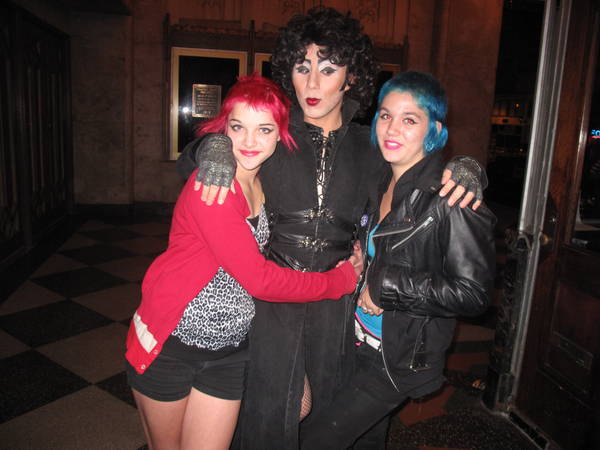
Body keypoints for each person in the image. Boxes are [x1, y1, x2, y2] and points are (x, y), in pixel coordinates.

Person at [177, 7, 486, 449]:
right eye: (302, 68)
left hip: (338, 307)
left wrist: (468, 167)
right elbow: (205, 156)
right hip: (271, 302)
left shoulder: (371, 145)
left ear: (350, 77)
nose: (313, 84)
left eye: (327, 69)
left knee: (331, 419)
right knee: (266, 418)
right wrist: (212, 148)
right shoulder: (272, 134)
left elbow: (422, 167)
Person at [125, 74, 360, 450]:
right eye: (237, 128)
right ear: (224, 128)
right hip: (172, 346)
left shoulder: (264, 181)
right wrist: (339, 281)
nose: (249, 141)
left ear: (279, 134)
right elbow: (259, 280)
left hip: (229, 352)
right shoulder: (212, 186)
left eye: (264, 129)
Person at [299, 71, 497, 449]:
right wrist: (362, 263)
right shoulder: (380, 179)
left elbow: (473, 294)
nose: (393, 128)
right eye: (386, 115)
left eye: (410, 119)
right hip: (356, 338)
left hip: (397, 356)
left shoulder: (450, 199)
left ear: (434, 130)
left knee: (314, 440)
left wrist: (384, 286)